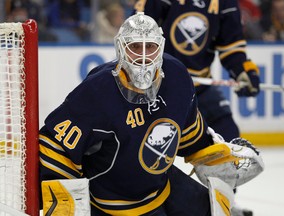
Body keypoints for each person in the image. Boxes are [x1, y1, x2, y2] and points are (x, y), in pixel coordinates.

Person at [39, 12, 263, 215]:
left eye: (150, 47)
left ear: (161, 47)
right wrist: (63, 199)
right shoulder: (97, 90)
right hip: (110, 205)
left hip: (162, 187)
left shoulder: (177, 76)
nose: (144, 56)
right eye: (135, 46)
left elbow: (189, 135)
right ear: (121, 48)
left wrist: (216, 153)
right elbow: (55, 144)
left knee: (218, 209)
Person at [134, 1, 261, 215]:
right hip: (159, 85)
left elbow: (232, 47)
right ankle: (142, 198)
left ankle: (224, 202)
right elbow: (138, 32)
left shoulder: (225, 3)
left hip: (199, 86)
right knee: (150, 143)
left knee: (226, 132)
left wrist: (243, 71)